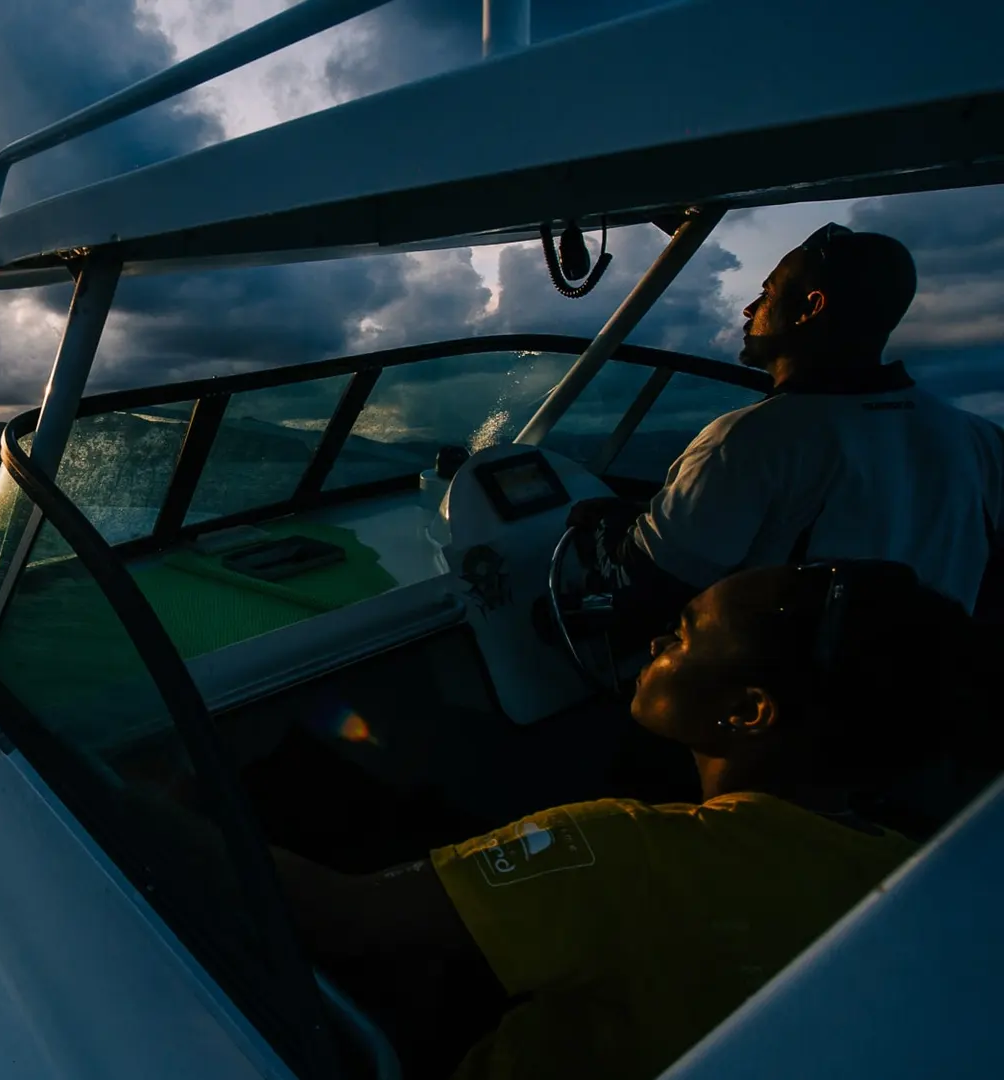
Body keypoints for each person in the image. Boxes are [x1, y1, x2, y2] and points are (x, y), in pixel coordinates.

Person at [274, 561, 985, 1080]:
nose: (654, 645)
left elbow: (344, 922)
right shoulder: (919, 876)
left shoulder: (624, 850)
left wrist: (165, 809)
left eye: (682, 635)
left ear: (747, 713)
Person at [569, 225, 1004, 638]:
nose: (748, 308)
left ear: (809, 308)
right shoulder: (979, 438)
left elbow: (650, 585)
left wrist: (602, 523)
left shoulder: (749, 441)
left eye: (767, 293)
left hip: (784, 705)